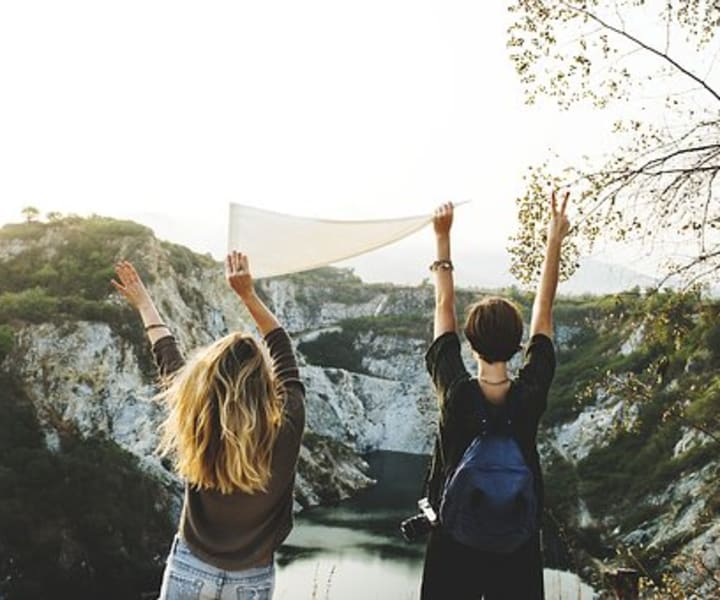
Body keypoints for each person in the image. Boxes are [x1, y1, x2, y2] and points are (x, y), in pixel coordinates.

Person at [112, 251, 305, 600]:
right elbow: (282, 350)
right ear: (263, 383)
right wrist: (247, 294)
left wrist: (145, 304)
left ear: (207, 381)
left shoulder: (195, 418)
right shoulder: (287, 427)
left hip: (191, 567)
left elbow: (167, 357)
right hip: (252, 576)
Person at [420, 191, 570, 599]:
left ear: (470, 344)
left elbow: (443, 304)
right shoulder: (530, 395)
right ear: (519, 344)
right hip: (516, 544)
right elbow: (544, 308)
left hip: (453, 541)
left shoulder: (455, 395)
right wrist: (553, 241)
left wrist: (442, 238)